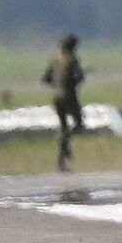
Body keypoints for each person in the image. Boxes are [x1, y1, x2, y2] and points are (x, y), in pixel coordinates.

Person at [42, 33, 85, 172]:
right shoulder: (72, 59)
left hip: (56, 97)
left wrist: (58, 83)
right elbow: (79, 77)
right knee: (78, 124)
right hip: (69, 97)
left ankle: (61, 163)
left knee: (63, 127)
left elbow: (46, 79)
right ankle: (65, 144)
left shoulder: (55, 59)